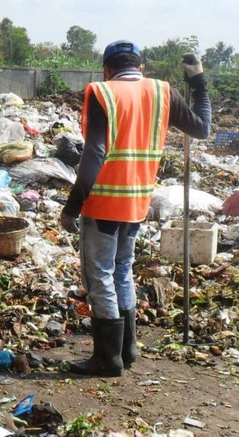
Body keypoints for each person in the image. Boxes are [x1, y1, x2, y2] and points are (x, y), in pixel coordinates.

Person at [60, 41, 212, 377]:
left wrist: (73, 204)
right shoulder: (163, 92)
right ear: (140, 68)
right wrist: (199, 81)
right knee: (122, 270)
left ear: (106, 69)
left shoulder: (102, 92)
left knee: (99, 274)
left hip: (103, 201)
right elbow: (203, 128)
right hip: (138, 202)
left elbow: (95, 153)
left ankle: (107, 358)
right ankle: (127, 349)